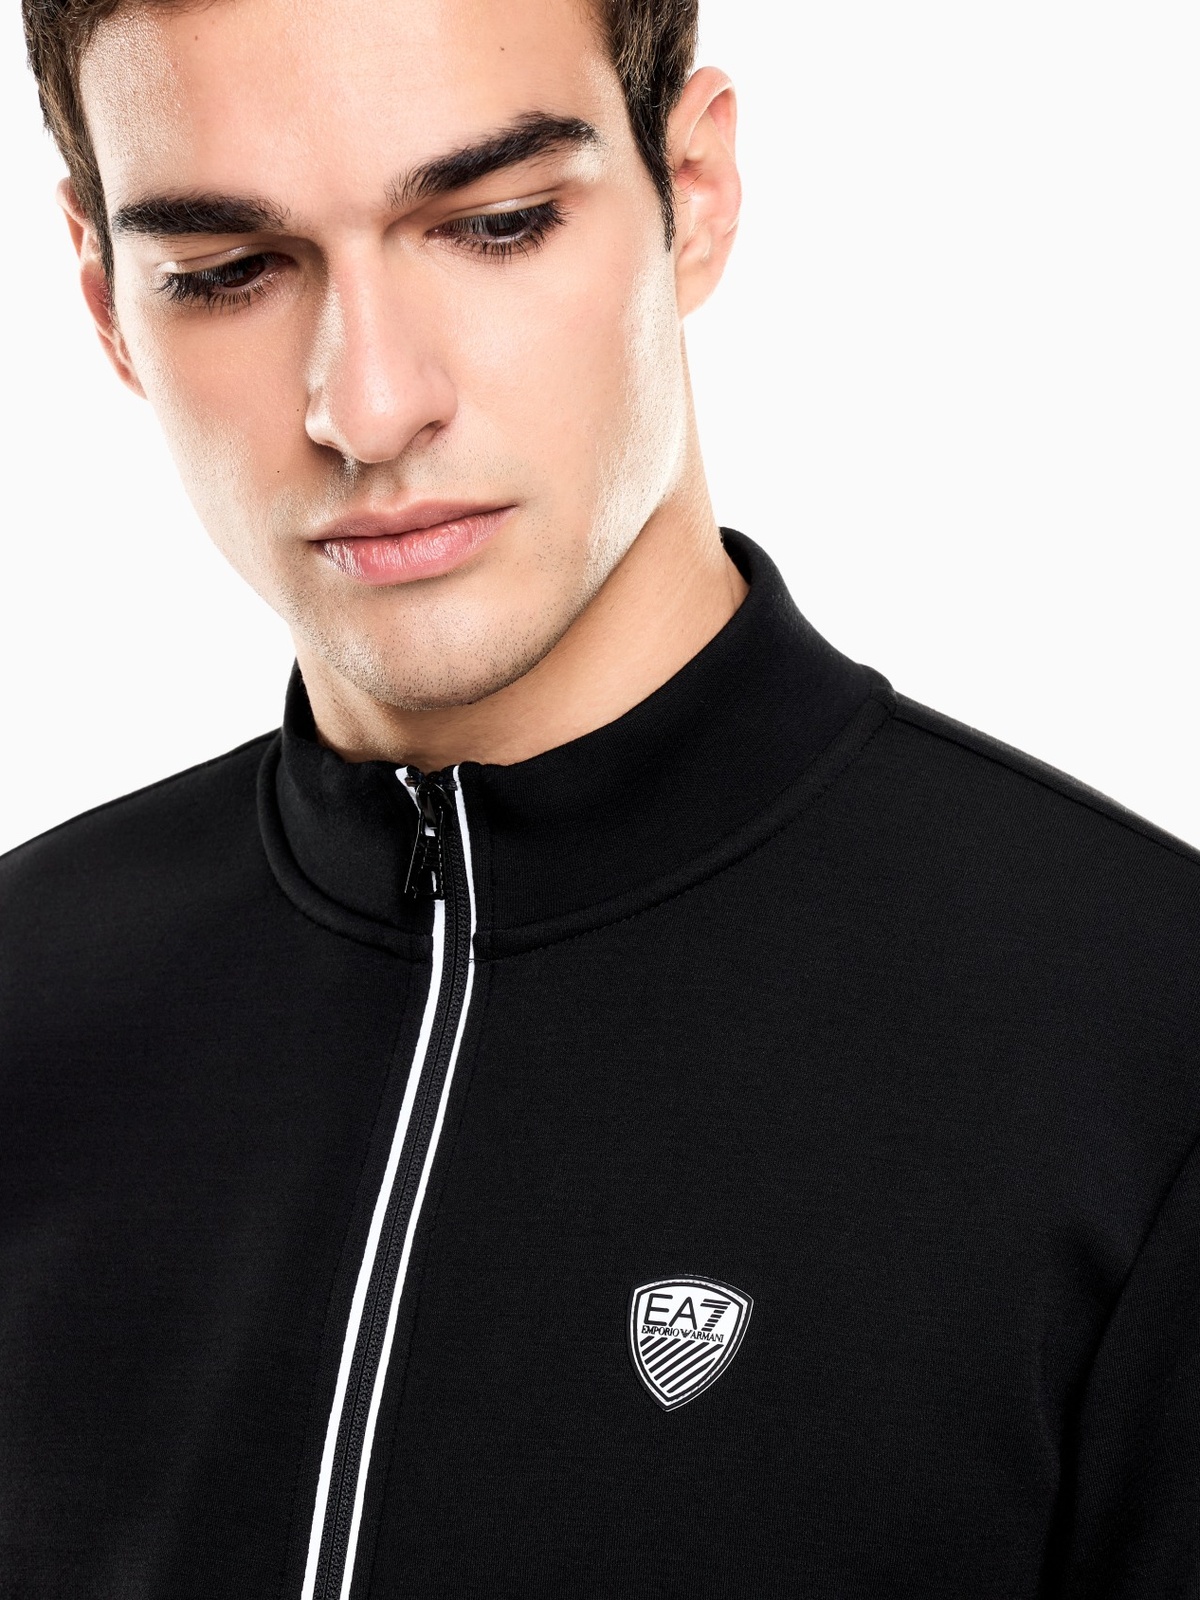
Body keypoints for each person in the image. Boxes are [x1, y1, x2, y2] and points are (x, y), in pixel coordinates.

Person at [5, 0, 1198, 1594]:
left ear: (693, 193)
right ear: (104, 300)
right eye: (227, 270)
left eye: (494, 224)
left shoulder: (1146, 1042)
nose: (369, 406)